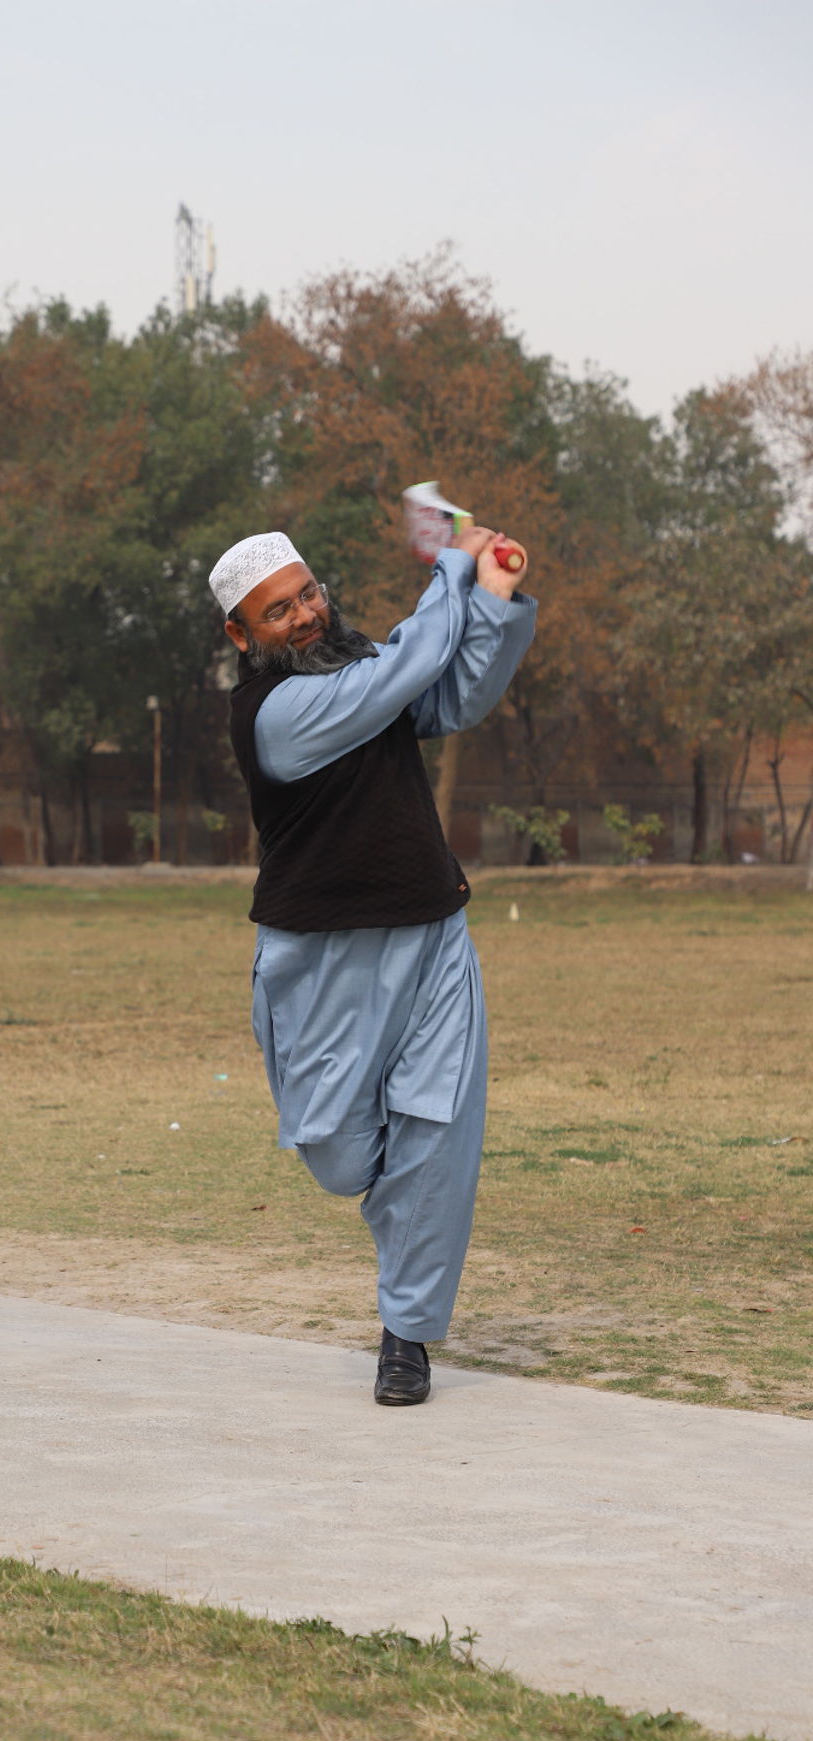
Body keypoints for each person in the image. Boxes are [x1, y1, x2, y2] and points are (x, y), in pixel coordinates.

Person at [214, 526, 536, 1406]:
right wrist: (454, 563)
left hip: (432, 937)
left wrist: (494, 601)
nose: (305, 615)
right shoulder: (275, 715)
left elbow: (454, 691)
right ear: (242, 635)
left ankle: (408, 1333)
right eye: (278, 611)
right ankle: (402, 1189)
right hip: (319, 963)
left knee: (437, 1136)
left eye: (309, 593)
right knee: (340, 1160)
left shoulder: (363, 674)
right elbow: (411, 665)